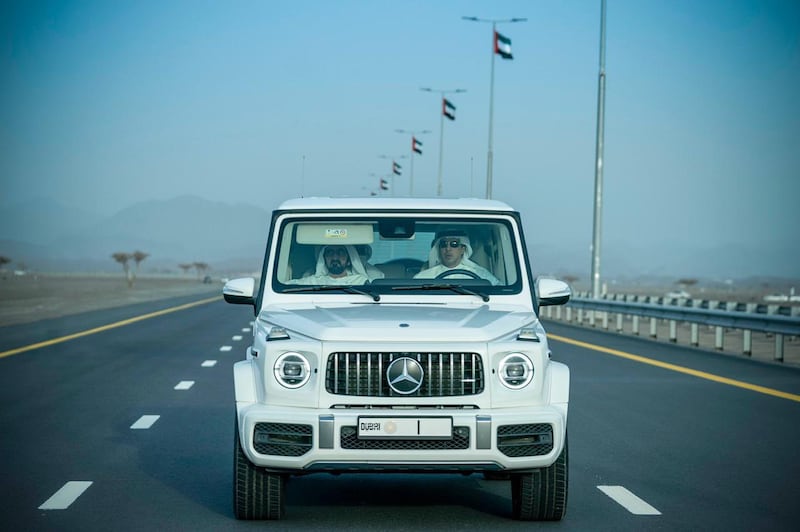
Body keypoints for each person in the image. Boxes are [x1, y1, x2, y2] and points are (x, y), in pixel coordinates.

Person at [414, 231, 500, 285]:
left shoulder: (480, 274)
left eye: (454, 244)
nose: (448, 249)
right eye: (444, 245)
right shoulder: (425, 276)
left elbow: (499, 292)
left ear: (462, 249)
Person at [286, 245, 369, 285]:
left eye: (340, 253)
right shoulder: (313, 281)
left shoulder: (361, 281)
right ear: (324, 259)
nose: (335, 257)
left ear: (349, 260)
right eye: (330, 253)